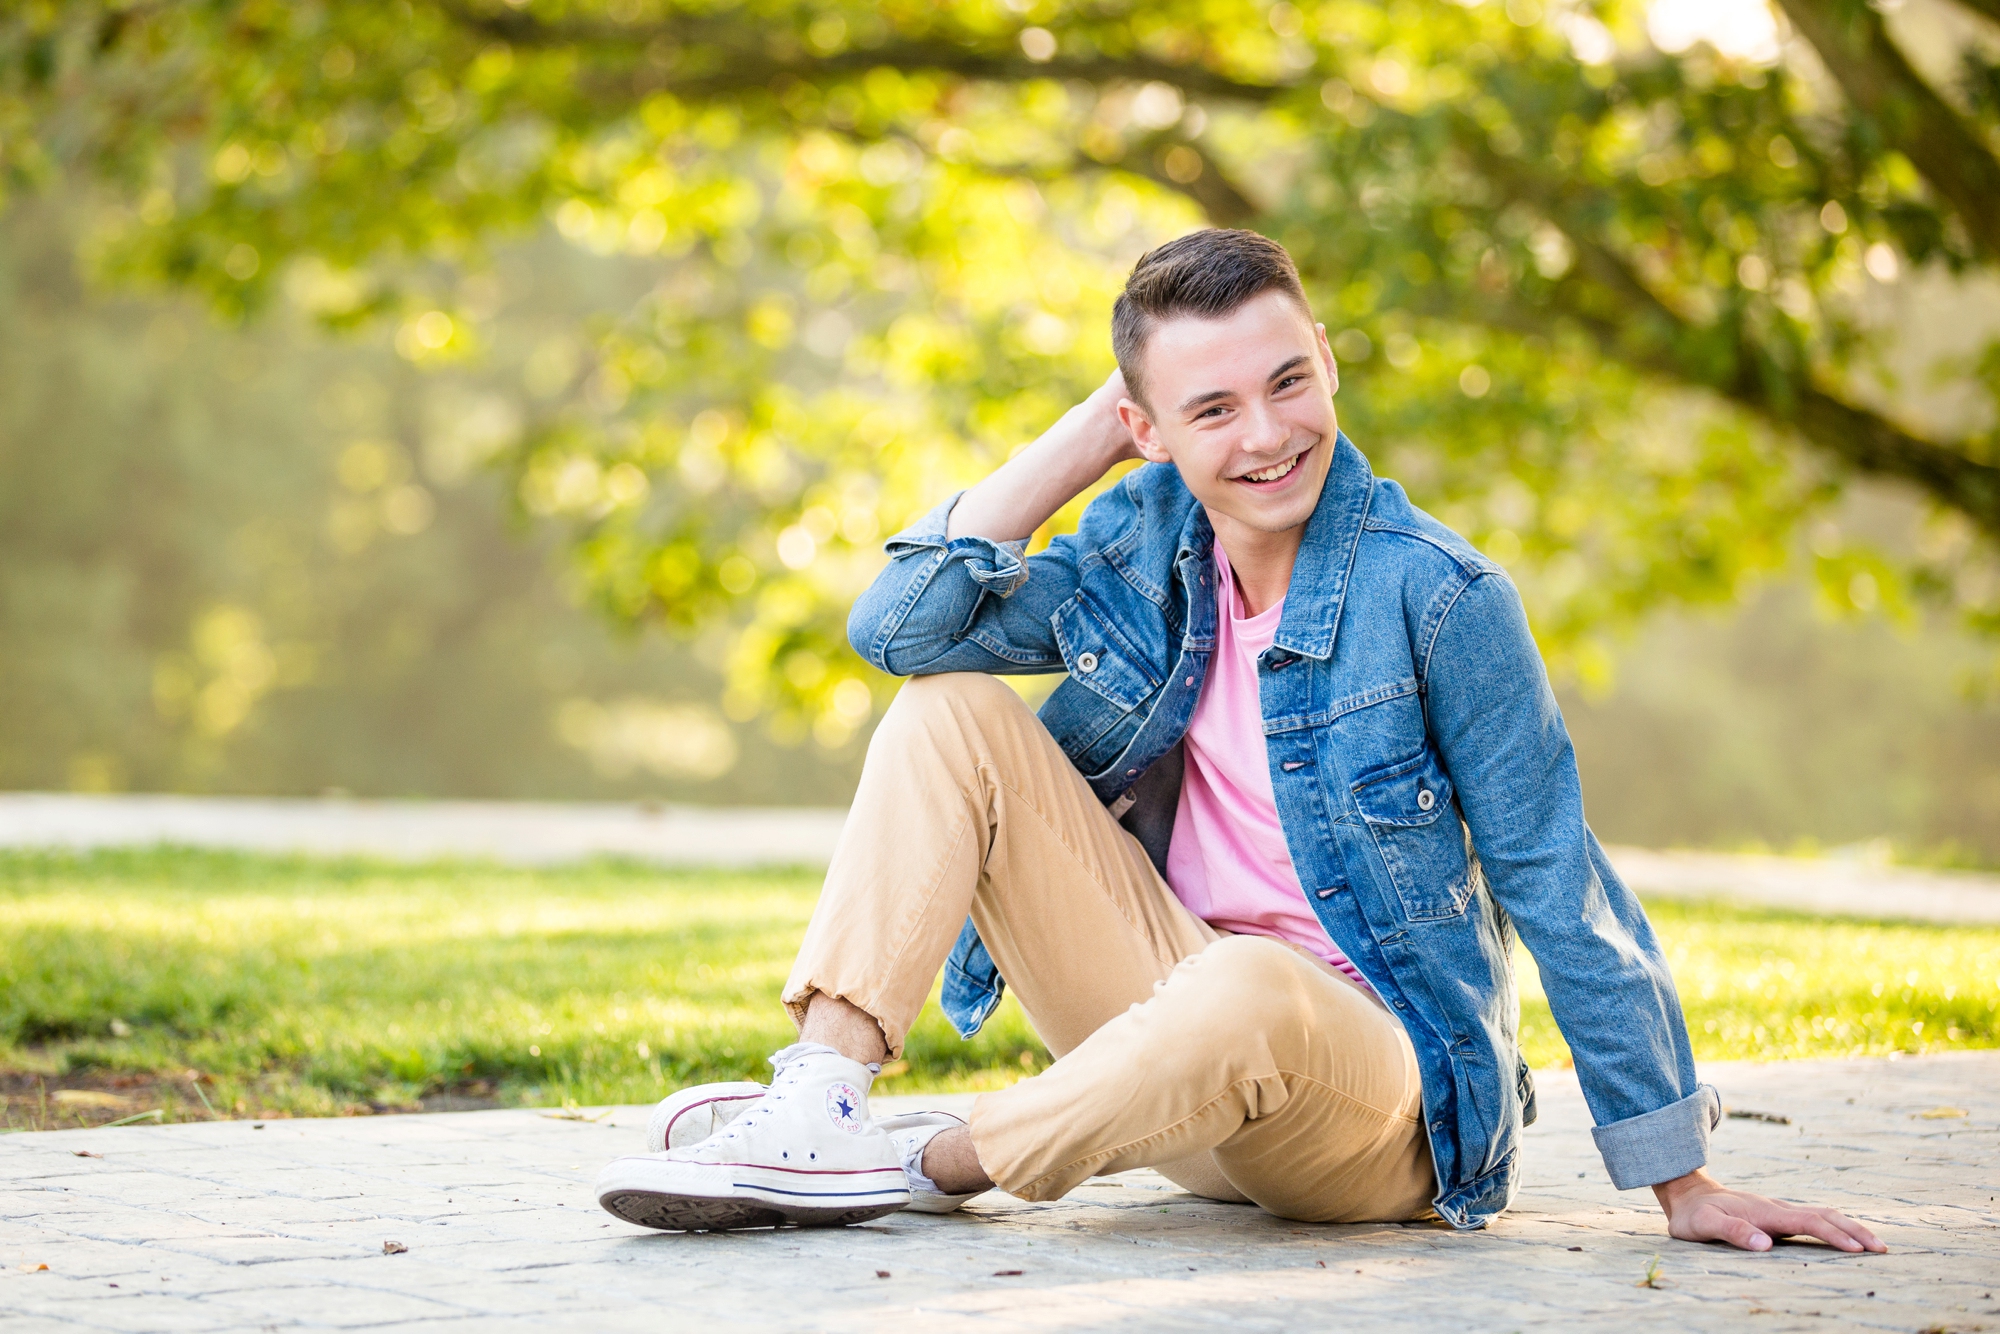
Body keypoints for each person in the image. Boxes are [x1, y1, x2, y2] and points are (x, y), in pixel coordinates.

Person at [595, 228, 1884, 1254]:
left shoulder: (1439, 596)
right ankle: (819, 1103)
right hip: (1168, 1058)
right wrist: (1084, 443)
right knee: (948, 714)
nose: (1266, 437)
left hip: (1372, 1112)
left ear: (1327, 359)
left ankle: (913, 1166)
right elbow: (901, 630)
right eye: (1207, 410)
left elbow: (1558, 876)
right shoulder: (1141, 549)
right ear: (1145, 428)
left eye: (1287, 381)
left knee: (1254, 984)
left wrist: (1682, 1176)